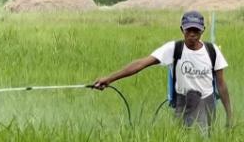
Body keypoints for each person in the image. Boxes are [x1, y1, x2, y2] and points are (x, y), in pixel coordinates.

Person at [93, 10, 233, 129]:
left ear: (203, 30)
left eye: (196, 30)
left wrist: (229, 116)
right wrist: (110, 78)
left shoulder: (212, 51)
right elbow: (141, 63)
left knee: (203, 141)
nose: (192, 34)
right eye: (188, 29)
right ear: (182, 30)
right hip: (183, 102)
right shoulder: (173, 49)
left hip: (206, 102)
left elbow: (221, 84)